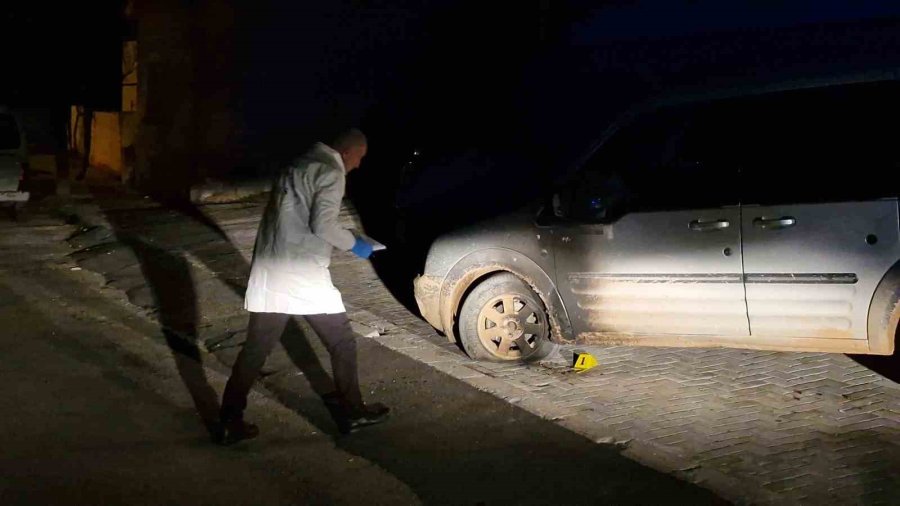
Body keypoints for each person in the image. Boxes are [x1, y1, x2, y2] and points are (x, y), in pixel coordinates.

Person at [217, 128, 388, 445]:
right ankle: (353, 412)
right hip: (302, 274)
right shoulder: (331, 172)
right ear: (348, 152)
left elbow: (297, 217)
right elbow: (322, 225)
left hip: (272, 268)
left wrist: (344, 234)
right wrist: (357, 245)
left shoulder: (298, 164)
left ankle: (229, 419)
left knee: (256, 349)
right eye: (360, 158)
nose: (359, 165)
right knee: (341, 342)